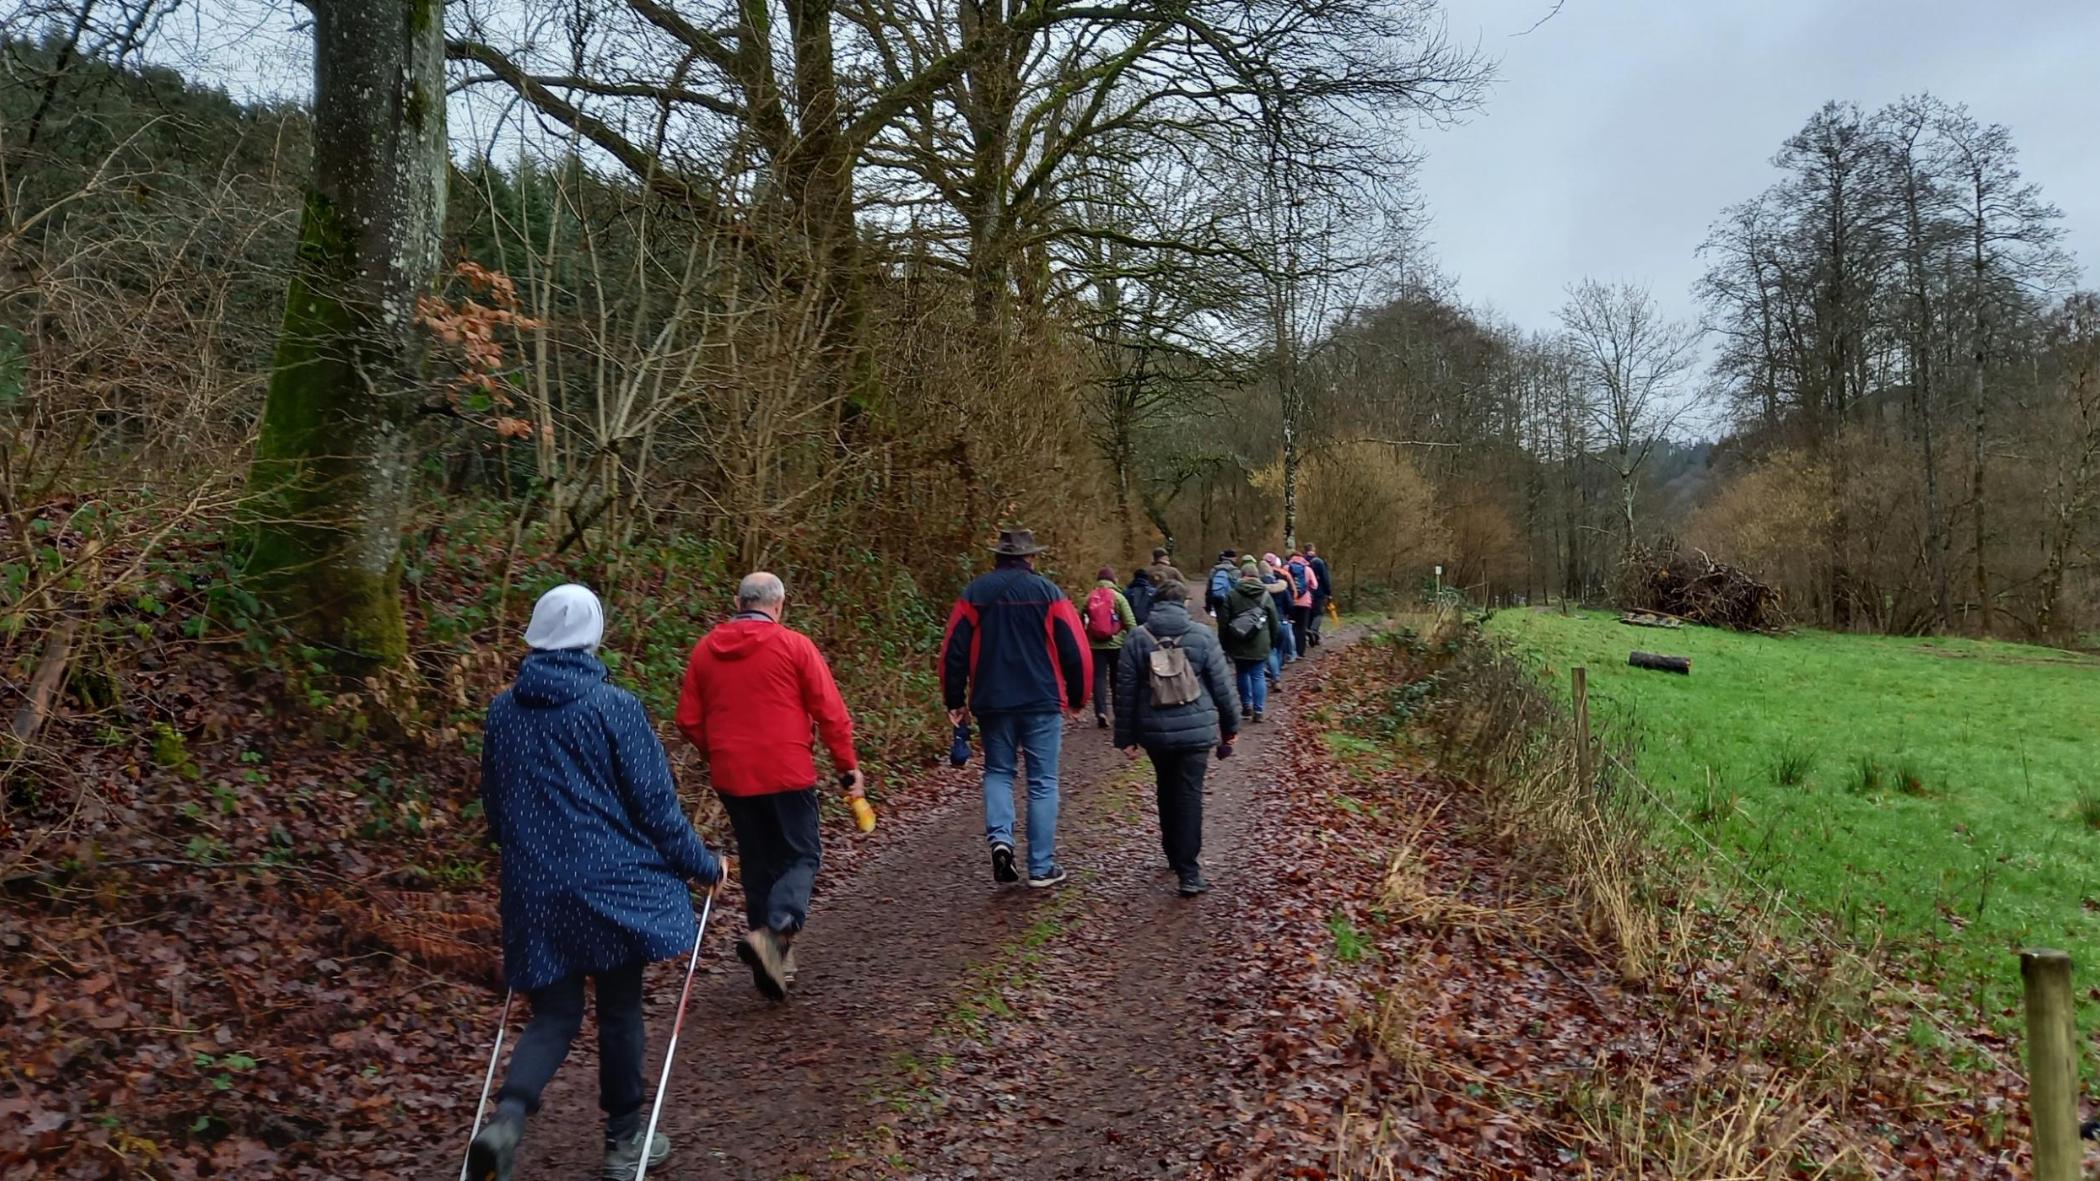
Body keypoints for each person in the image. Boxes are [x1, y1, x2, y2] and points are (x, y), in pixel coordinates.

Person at [470, 585, 725, 1181]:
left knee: (555, 1013)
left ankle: (507, 1120)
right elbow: (655, 807)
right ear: (592, 636)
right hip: (612, 885)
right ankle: (623, 1141)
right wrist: (703, 865)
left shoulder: (503, 712)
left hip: (534, 887)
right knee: (619, 1009)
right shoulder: (613, 707)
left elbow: (496, 810)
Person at [675, 571, 861, 1001]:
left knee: (759, 862)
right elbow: (831, 713)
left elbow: (687, 719)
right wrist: (847, 767)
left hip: (733, 775)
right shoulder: (794, 646)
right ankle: (775, 932)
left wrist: (718, 751)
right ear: (778, 605)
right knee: (801, 854)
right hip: (786, 769)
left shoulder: (705, 651)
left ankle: (772, 960)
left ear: (738, 603)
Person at [940, 527, 1091, 888]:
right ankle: (1041, 867)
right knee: (1042, 781)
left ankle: (1001, 841)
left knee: (998, 772)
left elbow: (953, 651)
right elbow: (1076, 650)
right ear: (1031, 557)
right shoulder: (1049, 593)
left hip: (993, 700)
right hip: (1042, 700)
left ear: (998, 557)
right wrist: (1078, 697)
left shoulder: (974, 593)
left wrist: (955, 699)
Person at [1113, 581, 1239, 896]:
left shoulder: (1137, 638)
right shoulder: (1203, 635)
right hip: (1196, 730)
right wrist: (1230, 727)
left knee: (1166, 788)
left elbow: (1125, 691)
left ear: (1155, 604)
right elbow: (1222, 686)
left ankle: (1172, 852)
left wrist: (1126, 736)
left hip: (1154, 730)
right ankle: (1189, 872)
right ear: (1183, 603)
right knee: (1189, 794)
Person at [1218, 558, 1282, 722]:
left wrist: (1224, 643)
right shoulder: (1266, 595)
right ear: (1257, 576)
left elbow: (1223, 622)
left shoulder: (1232, 595)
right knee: (1258, 675)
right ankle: (1258, 711)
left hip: (1237, 641)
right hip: (1260, 642)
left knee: (1242, 673)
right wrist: (1272, 642)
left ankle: (1246, 706)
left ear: (1242, 575)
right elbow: (1274, 622)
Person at [1081, 566, 1139, 729]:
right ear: (1114, 580)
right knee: (1117, 679)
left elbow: (1078, 620)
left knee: (1099, 678)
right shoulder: (1119, 597)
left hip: (1095, 646)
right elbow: (1131, 623)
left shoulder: (1089, 597)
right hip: (1117, 644)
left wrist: (1085, 636)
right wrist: (1133, 643)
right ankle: (1118, 712)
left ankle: (1101, 712)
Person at [1259, 554, 1296, 685]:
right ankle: (1276, 673)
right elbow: (1290, 605)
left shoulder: (1259, 590)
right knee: (1279, 650)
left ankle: (1275, 676)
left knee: (1271, 651)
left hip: (1268, 623)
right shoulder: (1282, 587)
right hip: (1283, 622)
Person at [1286, 549, 1317, 658]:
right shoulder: (1308, 569)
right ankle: (1300, 652)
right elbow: (1315, 585)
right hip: (1305, 603)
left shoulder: (1286, 568)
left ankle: (1291, 651)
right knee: (1302, 627)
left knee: (1291, 626)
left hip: (1291, 602)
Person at [1305, 543, 1334, 645]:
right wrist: (1328, 592)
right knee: (1318, 613)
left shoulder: (1303, 562)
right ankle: (1314, 631)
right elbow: (1325, 578)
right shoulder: (1319, 562)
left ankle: (1310, 634)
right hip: (1318, 592)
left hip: (1305, 593)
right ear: (1313, 550)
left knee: (1309, 613)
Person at [1205, 549, 1239, 618]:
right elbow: (1238, 589)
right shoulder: (1235, 571)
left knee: (1220, 620)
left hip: (1216, 600)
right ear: (1233, 558)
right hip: (1230, 602)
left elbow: (1209, 589)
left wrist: (1208, 606)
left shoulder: (1214, 570)